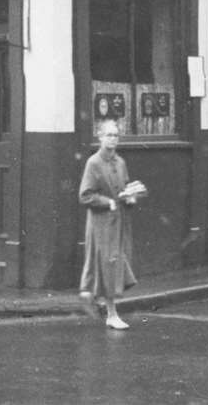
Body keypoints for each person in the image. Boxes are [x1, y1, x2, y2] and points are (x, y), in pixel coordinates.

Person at [77, 118, 144, 330]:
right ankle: (111, 314)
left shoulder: (120, 163)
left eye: (115, 135)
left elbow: (123, 189)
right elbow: (85, 195)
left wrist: (130, 198)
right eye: (109, 135)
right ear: (100, 137)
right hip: (100, 224)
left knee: (112, 263)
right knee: (107, 264)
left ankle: (90, 296)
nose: (113, 139)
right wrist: (107, 203)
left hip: (118, 223)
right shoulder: (93, 163)